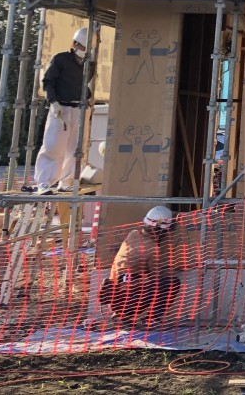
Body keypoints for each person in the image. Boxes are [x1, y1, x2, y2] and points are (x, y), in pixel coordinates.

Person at [25, 27, 91, 194]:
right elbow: (48, 81)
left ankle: (67, 181)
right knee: (53, 145)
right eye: (83, 46)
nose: (85, 50)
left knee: (76, 148)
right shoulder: (61, 59)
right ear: (75, 44)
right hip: (61, 107)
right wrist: (53, 102)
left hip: (80, 108)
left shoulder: (89, 64)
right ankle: (44, 182)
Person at [99, 206, 182, 326]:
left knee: (133, 284)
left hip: (114, 298)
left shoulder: (132, 235)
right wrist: (170, 269)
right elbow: (157, 278)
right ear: (160, 231)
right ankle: (151, 319)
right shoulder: (152, 248)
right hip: (131, 300)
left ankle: (121, 315)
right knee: (172, 283)